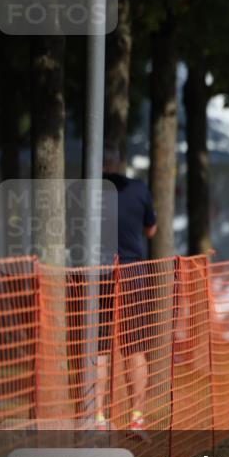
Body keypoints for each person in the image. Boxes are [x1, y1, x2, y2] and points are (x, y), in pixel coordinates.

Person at [93, 145, 157, 435]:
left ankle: (97, 418)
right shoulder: (139, 190)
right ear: (120, 162)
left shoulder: (88, 192)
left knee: (99, 349)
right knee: (135, 349)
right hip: (133, 273)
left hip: (99, 274)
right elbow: (150, 230)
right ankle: (137, 417)